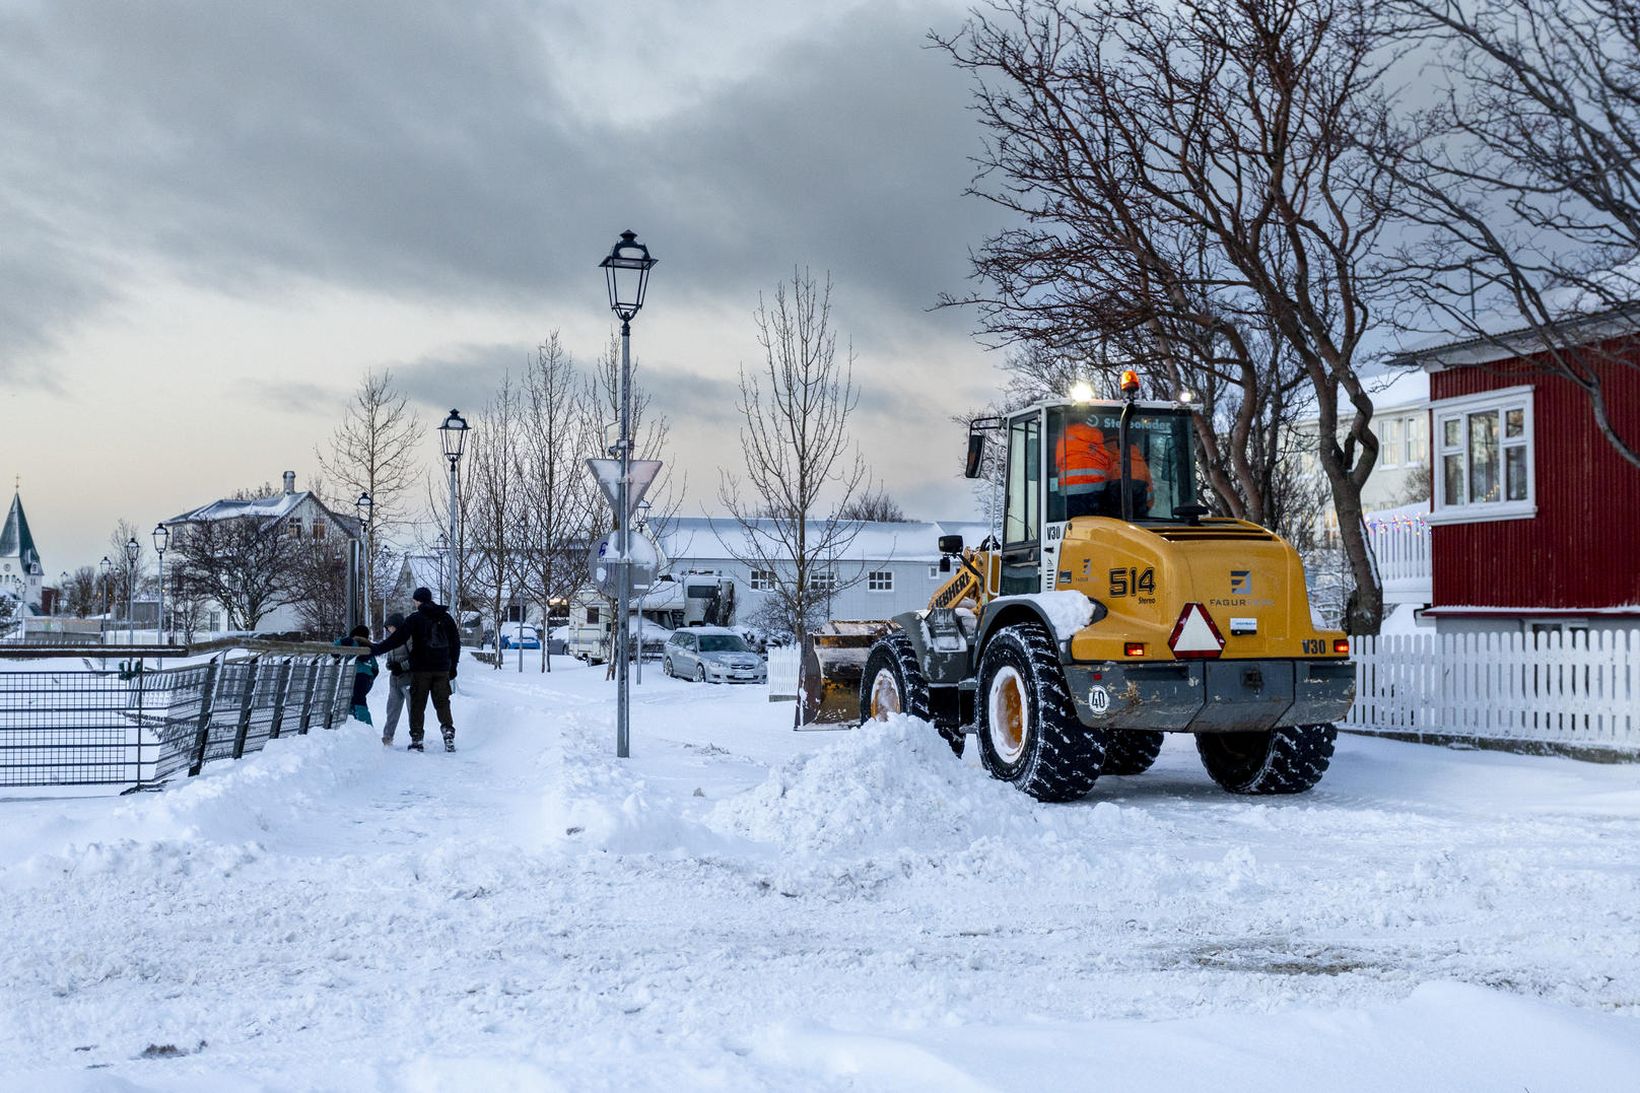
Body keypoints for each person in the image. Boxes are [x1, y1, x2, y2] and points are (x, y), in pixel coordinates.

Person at [369, 587, 461, 752]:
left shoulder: (415, 618)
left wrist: (377, 649)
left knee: (418, 704)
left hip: (421, 670)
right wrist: (453, 666)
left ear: (418, 600)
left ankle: (417, 740)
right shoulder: (446, 618)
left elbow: (397, 638)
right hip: (442, 669)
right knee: (442, 703)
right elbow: (455, 643)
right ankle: (448, 733)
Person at [1054, 421, 1115, 518]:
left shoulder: (1063, 441)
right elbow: (1109, 469)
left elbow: (1057, 465)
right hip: (1095, 493)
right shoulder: (1099, 444)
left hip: (1069, 494)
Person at [378, 612, 413, 746]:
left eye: (390, 627)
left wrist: (401, 666)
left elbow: (415, 658)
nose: (388, 630)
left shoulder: (409, 638)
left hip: (408, 679)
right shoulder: (392, 639)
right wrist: (389, 664)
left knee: (412, 710)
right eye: (387, 628)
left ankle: (415, 736)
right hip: (394, 680)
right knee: (392, 709)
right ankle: (387, 736)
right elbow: (389, 656)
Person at [333, 625, 379, 726]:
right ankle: (356, 728)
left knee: (356, 702)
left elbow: (335, 646)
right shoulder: (369, 647)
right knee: (355, 701)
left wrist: (335, 654)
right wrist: (369, 677)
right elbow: (376, 669)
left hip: (355, 675)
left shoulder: (351, 641)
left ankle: (366, 728)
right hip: (367, 679)